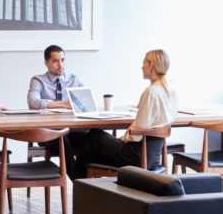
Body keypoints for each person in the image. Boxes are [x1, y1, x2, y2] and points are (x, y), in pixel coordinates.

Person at [72, 50, 177, 187]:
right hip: (153, 157)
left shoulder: (151, 92)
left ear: (151, 66)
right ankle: (85, 185)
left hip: (136, 156)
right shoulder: (171, 89)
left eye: (144, 62)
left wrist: (124, 138)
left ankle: (79, 184)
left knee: (93, 135)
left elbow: (139, 131)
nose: (142, 66)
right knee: (92, 149)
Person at [27, 44, 87, 169]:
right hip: (47, 132)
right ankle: (78, 180)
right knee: (62, 140)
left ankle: (87, 177)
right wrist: (64, 104)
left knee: (92, 137)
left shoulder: (73, 79)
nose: (61, 65)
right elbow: (33, 102)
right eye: (55, 61)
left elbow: (88, 100)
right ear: (46, 62)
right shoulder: (38, 80)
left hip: (70, 130)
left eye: (62, 60)